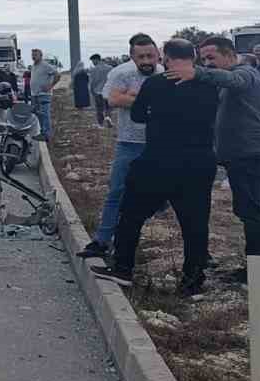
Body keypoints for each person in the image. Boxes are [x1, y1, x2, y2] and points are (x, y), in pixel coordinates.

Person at [93, 40, 218, 295]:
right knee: (195, 224)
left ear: (166, 57)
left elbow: (138, 115)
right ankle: (192, 281)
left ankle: (123, 269)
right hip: (198, 163)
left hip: (157, 161)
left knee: (131, 216)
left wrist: (158, 114)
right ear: (193, 57)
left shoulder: (156, 83)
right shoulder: (209, 83)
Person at [182, 35, 260, 271]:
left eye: (210, 57)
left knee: (251, 213)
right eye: (203, 59)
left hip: (250, 156)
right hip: (247, 155)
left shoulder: (245, 73)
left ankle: (257, 272)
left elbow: (234, 80)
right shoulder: (228, 81)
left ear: (229, 55)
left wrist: (196, 72)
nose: (206, 63)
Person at [78, 35, 161, 259]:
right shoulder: (121, 73)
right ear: (132, 57)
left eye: (150, 56)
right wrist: (146, 99)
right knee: (117, 191)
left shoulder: (164, 72)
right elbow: (113, 100)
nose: (146, 60)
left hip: (160, 144)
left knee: (168, 195)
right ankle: (102, 240)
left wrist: (133, 96)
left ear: (157, 55)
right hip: (129, 143)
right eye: (141, 56)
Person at [28, 48, 62, 142]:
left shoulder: (45, 65)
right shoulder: (34, 66)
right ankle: (43, 132)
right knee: (37, 113)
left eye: (35, 54)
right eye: (32, 55)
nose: (33, 56)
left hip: (43, 95)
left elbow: (57, 75)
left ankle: (47, 135)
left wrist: (50, 86)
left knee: (44, 114)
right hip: (35, 94)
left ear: (41, 55)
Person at [90, 54, 114, 128]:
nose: (92, 63)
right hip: (108, 91)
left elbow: (92, 82)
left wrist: (92, 91)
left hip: (98, 91)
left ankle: (100, 124)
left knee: (99, 109)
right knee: (108, 107)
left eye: (93, 61)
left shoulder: (94, 69)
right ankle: (108, 118)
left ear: (96, 59)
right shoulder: (110, 68)